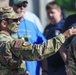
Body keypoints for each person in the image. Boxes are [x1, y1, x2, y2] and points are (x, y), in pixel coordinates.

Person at [0, 6, 76, 75]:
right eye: (15, 20)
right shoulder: (11, 43)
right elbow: (39, 51)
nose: (18, 22)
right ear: (4, 23)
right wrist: (64, 36)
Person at [9, 0, 47, 75]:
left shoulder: (33, 25)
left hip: (33, 72)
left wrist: (45, 70)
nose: (22, 7)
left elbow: (43, 49)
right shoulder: (5, 26)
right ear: (11, 6)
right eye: (19, 5)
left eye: (25, 5)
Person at [43, 1, 66, 75]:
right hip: (51, 68)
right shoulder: (47, 29)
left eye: (52, 12)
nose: (50, 15)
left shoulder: (65, 26)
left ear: (59, 12)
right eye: (48, 13)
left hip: (63, 66)